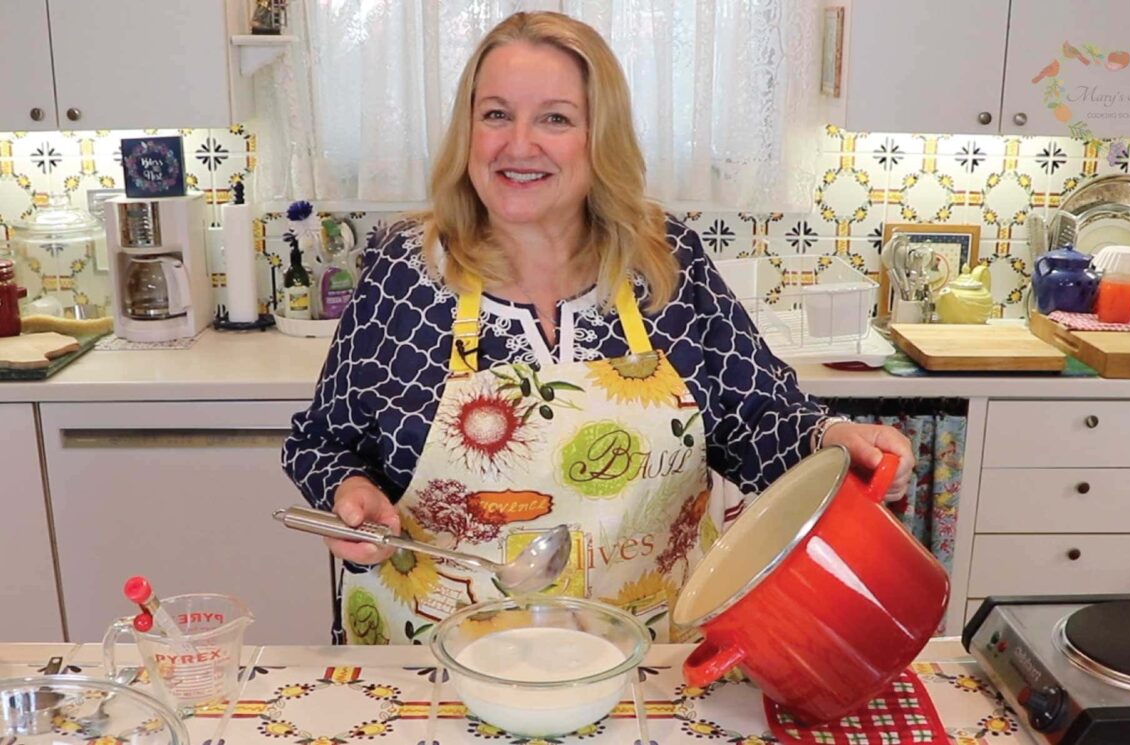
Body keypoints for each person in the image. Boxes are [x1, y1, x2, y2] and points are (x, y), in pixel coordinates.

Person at [282, 11, 914, 645]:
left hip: (643, 667)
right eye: (496, 114)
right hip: (436, 667)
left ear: (600, 137)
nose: (518, 144)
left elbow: (758, 420)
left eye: (555, 118)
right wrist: (351, 489)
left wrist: (834, 437)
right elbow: (321, 440)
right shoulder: (408, 271)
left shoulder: (666, 264)